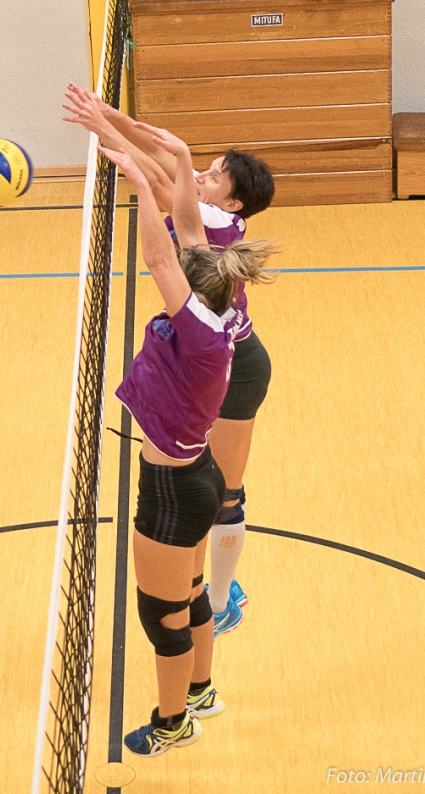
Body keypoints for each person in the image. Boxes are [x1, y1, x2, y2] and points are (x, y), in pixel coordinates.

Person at [63, 85, 276, 636]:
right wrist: (108, 115)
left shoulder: (216, 225)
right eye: (203, 169)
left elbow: (159, 179)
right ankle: (211, 585)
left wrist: (101, 131)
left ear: (230, 204)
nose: (201, 176)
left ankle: (225, 597)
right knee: (213, 486)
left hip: (239, 367)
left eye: (213, 175)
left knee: (226, 492)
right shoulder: (208, 209)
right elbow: (164, 160)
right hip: (217, 356)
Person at [97, 129, 276, 758]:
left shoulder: (199, 334)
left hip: (173, 491)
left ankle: (172, 723)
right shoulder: (218, 312)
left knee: (163, 618)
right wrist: (171, 161)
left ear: (193, 288)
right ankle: (201, 691)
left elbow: (159, 255)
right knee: (191, 596)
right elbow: (182, 240)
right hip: (191, 476)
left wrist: (143, 181)